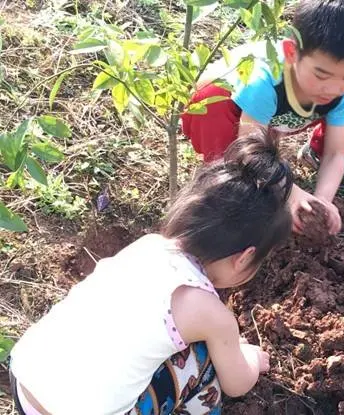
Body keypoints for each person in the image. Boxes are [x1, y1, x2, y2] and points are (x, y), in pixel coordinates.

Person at [8, 129, 293, 415]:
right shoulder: (212, 315)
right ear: (245, 258)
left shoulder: (149, 246)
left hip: (25, 381)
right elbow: (238, 384)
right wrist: (250, 358)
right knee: (203, 362)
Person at [181, 0, 344, 236]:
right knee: (212, 99)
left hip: (275, 117)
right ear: (291, 53)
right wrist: (290, 192)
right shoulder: (263, 78)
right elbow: (252, 151)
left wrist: (323, 201)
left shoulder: (340, 88)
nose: (333, 88)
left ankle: (314, 153)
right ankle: (226, 173)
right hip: (231, 113)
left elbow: (336, 153)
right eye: (321, 75)